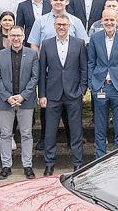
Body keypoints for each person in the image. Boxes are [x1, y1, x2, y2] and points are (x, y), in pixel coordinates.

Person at [38, 13, 88, 175]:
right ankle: (49, 164)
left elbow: (83, 69)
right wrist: (42, 95)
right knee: (50, 131)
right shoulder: (46, 44)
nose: (61, 27)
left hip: (73, 94)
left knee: (76, 131)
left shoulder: (79, 44)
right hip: (52, 94)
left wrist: (82, 89)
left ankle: (77, 164)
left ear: (69, 27)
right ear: (54, 26)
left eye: (64, 25)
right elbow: (41, 72)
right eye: (58, 24)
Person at [0, 25, 38, 180]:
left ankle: (28, 165)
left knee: (26, 134)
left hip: (26, 101)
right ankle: (6, 166)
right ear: (9, 37)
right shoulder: (0, 55)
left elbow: (34, 78)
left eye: (19, 35)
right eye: (13, 35)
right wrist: (7, 97)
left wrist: (23, 96)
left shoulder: (32, 54)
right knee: (5, 134)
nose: (16, 38)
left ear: (23, 37)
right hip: (6, 102)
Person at [89, 9, 118, 158]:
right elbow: (91, 62)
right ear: (102, 21)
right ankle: (99, 158)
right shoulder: (95, 38)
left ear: (117, 21)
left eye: (112, 20)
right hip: (100, 86)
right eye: (106, 20)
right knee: (100, 126)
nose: (109, 23)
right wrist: (92, 84)